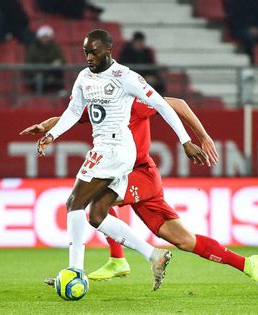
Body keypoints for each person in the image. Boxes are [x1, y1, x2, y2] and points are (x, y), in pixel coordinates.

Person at [22, 96, 258, 294]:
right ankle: (247, 265)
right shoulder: (100, 104)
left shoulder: (134, 101)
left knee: (94, 208)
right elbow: (69, 117)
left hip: (141, 174)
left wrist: (201, 136)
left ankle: (106, 263)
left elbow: (179, 104)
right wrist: (45, 126)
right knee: (183, 240)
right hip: (128, 175)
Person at [35, 29, 207, 291]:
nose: (89, 57)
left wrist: (185, 140)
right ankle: (154, 255)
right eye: (85, 52)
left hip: (115, 147)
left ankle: (75, 271)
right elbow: (72, 112)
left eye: (94, 51)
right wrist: (52, 134)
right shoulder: (83, 77)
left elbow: (162, 104)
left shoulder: (124, 76)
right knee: (96, 214)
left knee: (74, 203)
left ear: (108, 50)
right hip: (107, 147)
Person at [25, 25, 66, 94]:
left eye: (47, 37)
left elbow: (63, 60)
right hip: (37, 74)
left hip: (51, 71)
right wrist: (40, 71)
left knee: (58, 71)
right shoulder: (33, 49)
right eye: (43, 37)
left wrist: (58, 62)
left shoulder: (55, 47)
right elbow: (28, 65)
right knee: (40, 77)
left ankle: (60, 90)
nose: (45, 39)